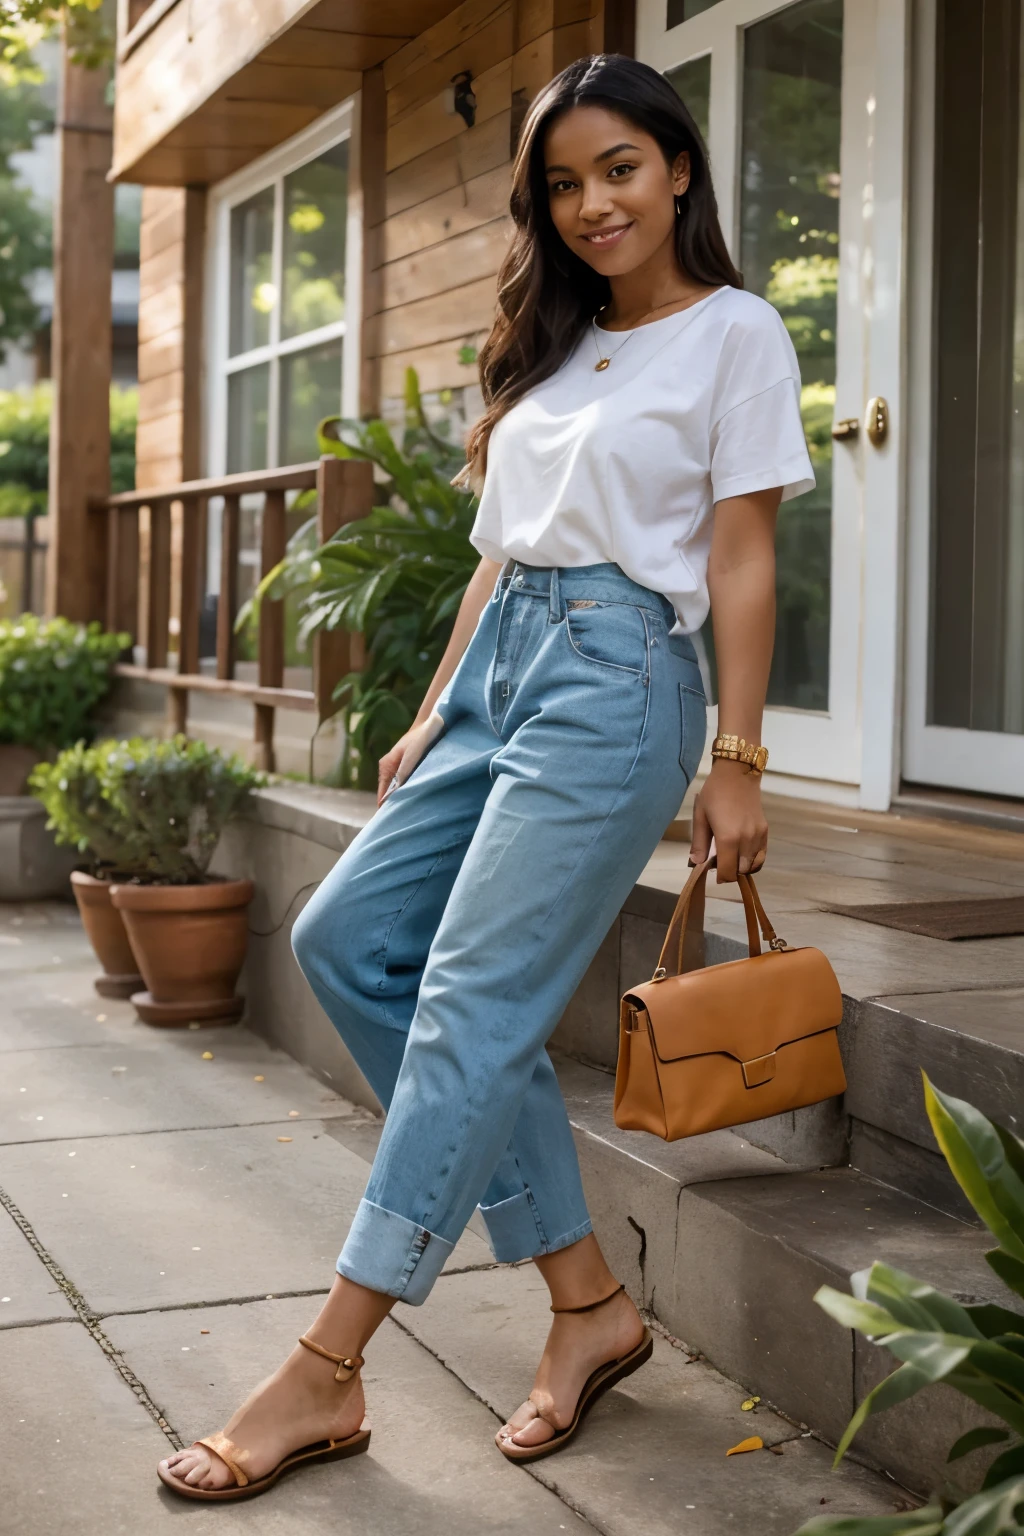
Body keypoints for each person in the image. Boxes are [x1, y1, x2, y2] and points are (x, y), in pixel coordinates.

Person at [158, 51, 813, 1501]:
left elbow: (744, 552)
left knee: (467, 998)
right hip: (496, 678)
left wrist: (742, 757)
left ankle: (330, 1366)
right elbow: (500, 553)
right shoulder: (554, 345)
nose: (593, 205)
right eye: (565, 183)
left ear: (681, 168)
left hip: (622, 682)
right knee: (346, 941)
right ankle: (589, 1299)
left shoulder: (737, 333)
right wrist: (434, 705)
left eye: (620, 170)